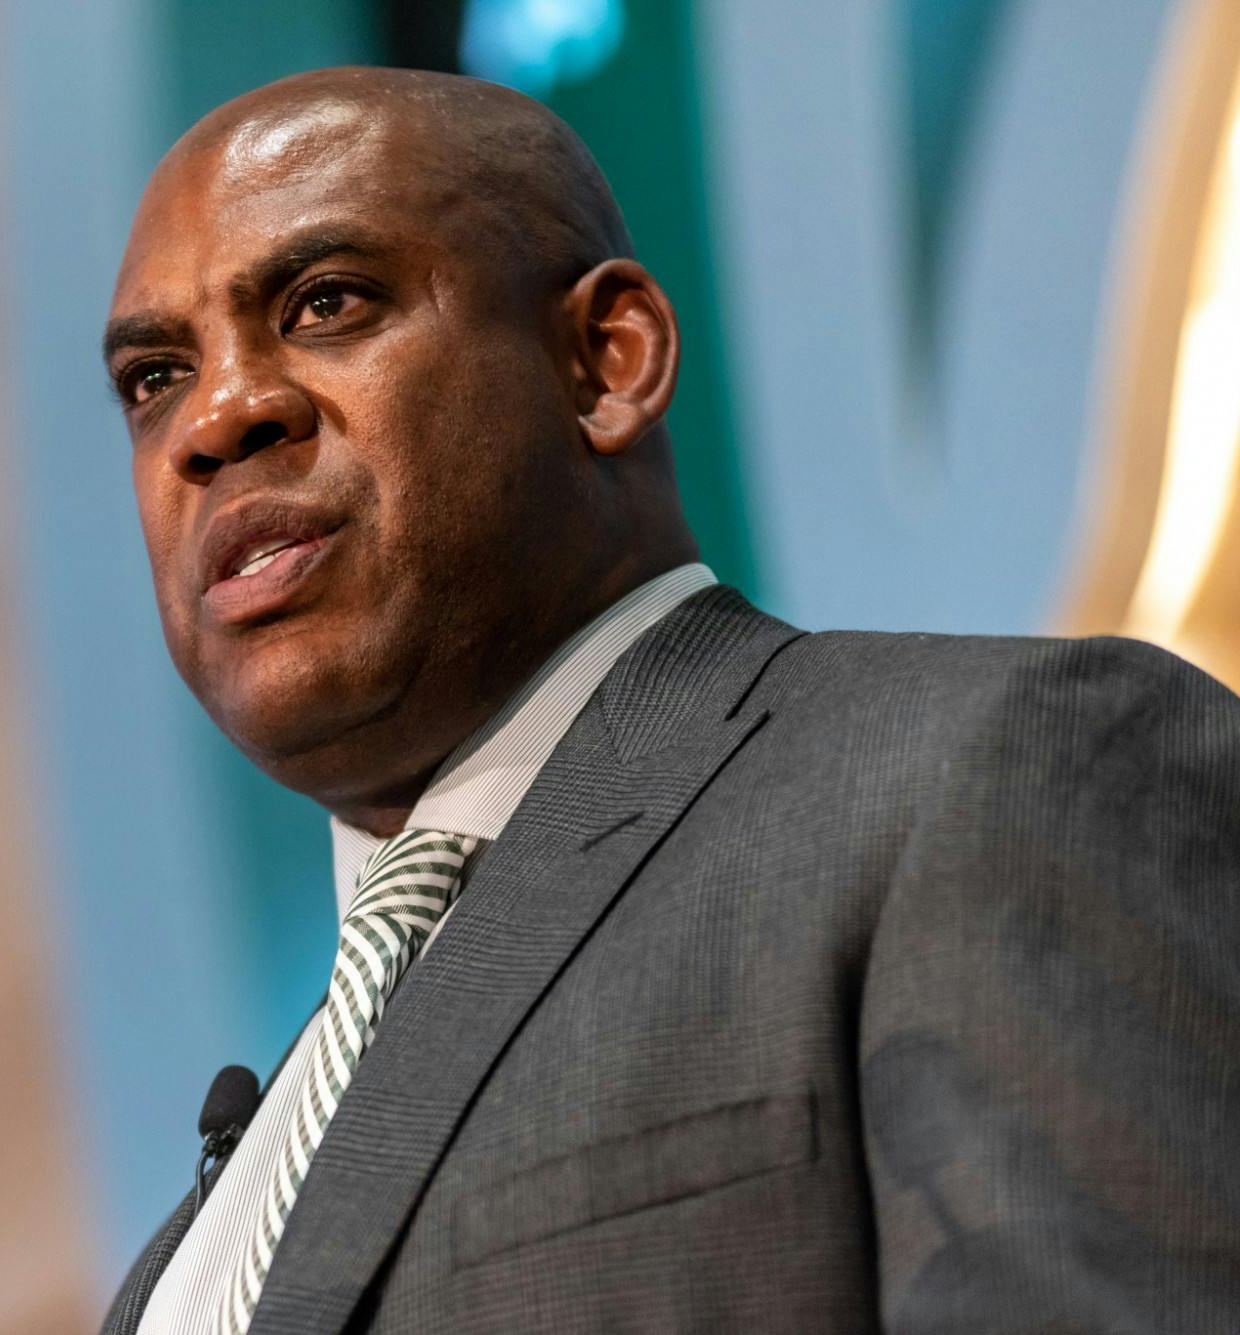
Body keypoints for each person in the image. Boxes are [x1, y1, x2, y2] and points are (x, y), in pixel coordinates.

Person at [96, 66, 1240, 1334]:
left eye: (325, 303)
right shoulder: (199, 1237)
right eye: (153, 379)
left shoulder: (991, 770)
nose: (215, 415)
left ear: (603, 362)